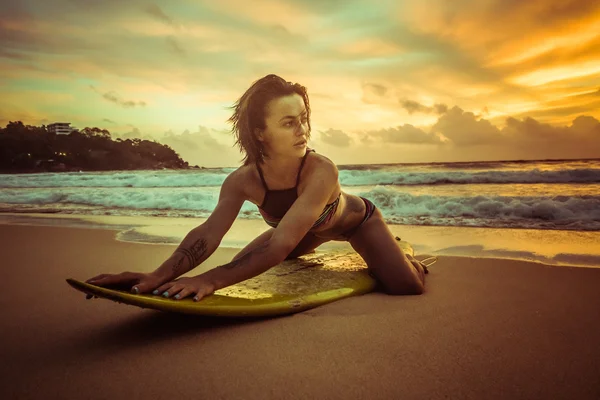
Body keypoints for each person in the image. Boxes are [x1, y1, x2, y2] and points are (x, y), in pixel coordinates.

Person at [87, 74, 427, 302]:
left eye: (303, 118)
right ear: (260, 132)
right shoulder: (242, 181)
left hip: (355, 224)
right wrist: (157, 275)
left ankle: (403, 255)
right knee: (241, 264)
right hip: (304, 233)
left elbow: (278, 246)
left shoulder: (320, 170)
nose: (302, 130)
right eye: (288, 123)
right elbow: (209, 233)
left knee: (405, 287)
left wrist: (209, 280)